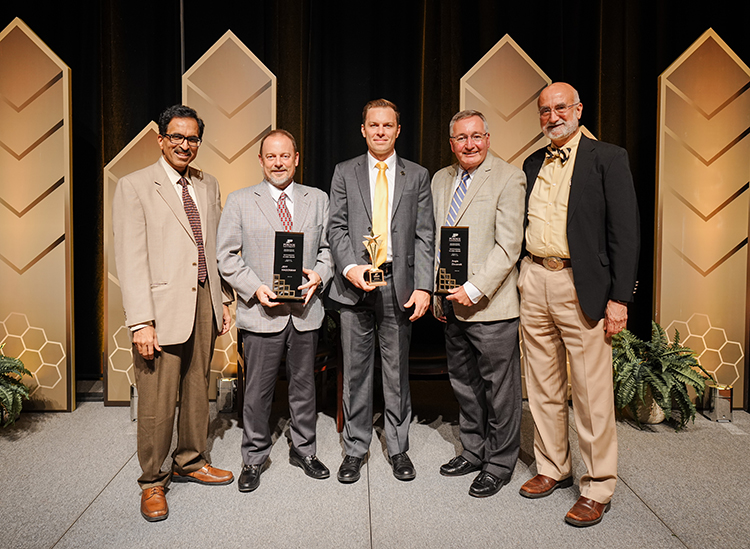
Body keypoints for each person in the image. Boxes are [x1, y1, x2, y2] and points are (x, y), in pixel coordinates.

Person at [518, 82, 640, 527]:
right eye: (545, 110)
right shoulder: (532, 162)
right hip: (534, 278)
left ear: (578, 109)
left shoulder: (608, 157)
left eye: (560, 108)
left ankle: (597, 485)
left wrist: (619, 298)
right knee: (543, 385)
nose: (552, 117)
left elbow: (625, 233)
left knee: (591, 393)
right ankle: (552, 466)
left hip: (580, 284)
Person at [112, 104, 234, 522]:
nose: (185, 144)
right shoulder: (134, 186)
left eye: (193, 138)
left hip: (205, 297)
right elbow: (130, 259)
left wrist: (225, 300)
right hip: (160, 308)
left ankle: (192, 459)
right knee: (158, 397)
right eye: (177, 137)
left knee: (199, 386)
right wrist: (140, 321)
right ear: (161, 139)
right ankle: (152, 480)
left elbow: (215, 248)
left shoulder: (207, 183)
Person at [216, 129, 333, 492]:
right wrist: (255, 288)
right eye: (271, 156)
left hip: (305, 311)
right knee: (257, 392)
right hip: (261, 312)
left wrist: (319, 274)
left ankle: (304, 450)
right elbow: (226, 256)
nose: (279, 163)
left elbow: (329, 249)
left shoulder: (318, 199)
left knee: (304, 387)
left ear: (296, 158)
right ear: (261, 161)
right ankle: (253, 457)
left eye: (285, 156)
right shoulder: (239, 201)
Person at [328, 98, 434, 483]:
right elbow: (336, 228)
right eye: (373, 125)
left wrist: (424, 286)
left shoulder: (417, 175)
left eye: (387, 126)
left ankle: (398, 448)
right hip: (355, 286)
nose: (380, 132)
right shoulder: (344, 172)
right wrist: (351, 268)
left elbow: (425, 236)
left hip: (399, 287)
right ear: (363, 129)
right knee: (356, 373)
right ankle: (355, 449)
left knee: (396, 372)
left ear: (398, 130)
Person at [431, 110, 526, 498]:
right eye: (460, 138)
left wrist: (474, 288)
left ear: (487, 137)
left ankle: (500, 463)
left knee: (499, 391)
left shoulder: (508, 176)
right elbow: (436, 242)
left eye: (476, 136)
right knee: (465, 385)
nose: (469, 144)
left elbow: (509, 246)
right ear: (451, 143)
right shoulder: (440, 179)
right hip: (451, 303)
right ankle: (473, 450)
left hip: (491, 305)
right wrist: (440, 292)